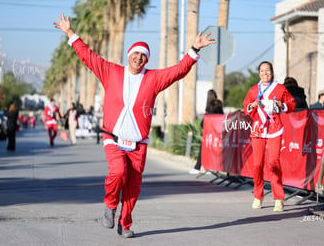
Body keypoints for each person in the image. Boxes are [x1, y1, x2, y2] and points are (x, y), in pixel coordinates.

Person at [54, 12, 216, 238]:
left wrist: (194, 50)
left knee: (133, 187)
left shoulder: (153, 79)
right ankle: (110, 205)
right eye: (136, 53)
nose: (139, 57)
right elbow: (88, 56)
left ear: (147, 60)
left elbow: (178, 71)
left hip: (139, 144)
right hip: (113, 137)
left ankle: (125, 223)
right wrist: (70, 33)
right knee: (118, 172)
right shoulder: (111, 72)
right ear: (129, 55)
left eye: (143, 55)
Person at [243, 61, 296, 212]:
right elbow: (246, 107)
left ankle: (278, 198)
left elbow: (291, 104)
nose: (264, 73)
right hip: (259, 129)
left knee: (274, 163)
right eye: (262, 71)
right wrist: (251, 106)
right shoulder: (254, 90)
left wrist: (282, 106)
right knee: (257, 164)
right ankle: (258, 195)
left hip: (274, 128)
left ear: (272, 72)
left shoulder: (279, 89)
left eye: (267, 70)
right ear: (259, 73)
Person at [190, 89, 221, 174]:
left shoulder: (209, 106)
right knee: (214, 149)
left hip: (209, 131)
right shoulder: (218, 104)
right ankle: (212, 168)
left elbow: (207, 118)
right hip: (217, 131)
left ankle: (197, 167)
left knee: (203, 148)